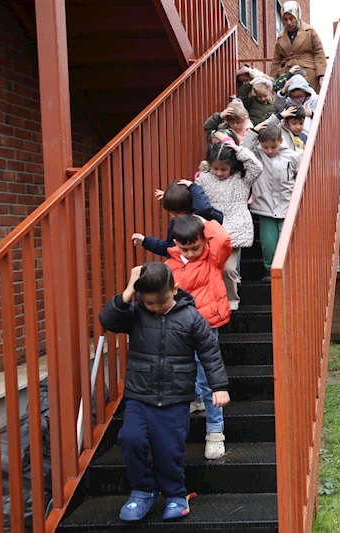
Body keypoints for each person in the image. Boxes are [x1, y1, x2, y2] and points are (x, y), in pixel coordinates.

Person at [99, 263, 230, 521]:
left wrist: (219, 386)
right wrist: (127, 292)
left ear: (175, 289)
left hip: (175, 398)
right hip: (140, 395)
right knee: (131, 439)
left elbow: (209, 353)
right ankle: (143, 490)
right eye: (149, 303)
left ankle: (175, 494)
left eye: (161, 301)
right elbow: (108, 320)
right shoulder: (136, 312)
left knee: (169, 449)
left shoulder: (191, 317)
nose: (156, 307)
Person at [165, 215, 231, 460]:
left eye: (196, 246)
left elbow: (223, 239)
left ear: (204, 240)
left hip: (207, 325)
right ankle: (195, 400)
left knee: (207, 377)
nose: (192, 253)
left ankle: (215, 431)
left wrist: (205, 222)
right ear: (176, 243)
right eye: (185, 248)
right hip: (181, 328)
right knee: (184, 370)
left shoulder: (212, 258)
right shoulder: (169, 265)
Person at [194, 134, 262, 310]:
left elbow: (257, 168)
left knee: (229, 269)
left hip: (235, 227)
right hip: (213, 228)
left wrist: (240, 150)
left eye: (223, 169)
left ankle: (232, 299)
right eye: (215, 168)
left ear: (232, 166)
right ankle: (215, 298)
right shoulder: (204, 178)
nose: (219, 173)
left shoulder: (242, 178)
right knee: (212, 268)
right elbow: (195, 195)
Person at [243, 122, 300, 281]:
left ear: (281, 141)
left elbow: (300, 175)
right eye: (265, 147)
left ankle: (287, 269)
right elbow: (244, 149)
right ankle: (270, 270)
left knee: (286, 239)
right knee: (268, 242)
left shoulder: (292, 156)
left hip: (287, 205)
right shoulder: (256, 154)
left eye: (273, 147)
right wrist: (254, 131)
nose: (269, 151)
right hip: (264, 206)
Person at [132, 181, 222, 258]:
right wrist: (145, 241)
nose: (173, 216)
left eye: (177, 212)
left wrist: (193, 187)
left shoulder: (200, 219)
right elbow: (168, 248)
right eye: (170, 212)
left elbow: (203, 209)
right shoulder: (175, 224)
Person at [270, 1, 327, 93]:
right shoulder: (280, 37)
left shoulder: (310, 31)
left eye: (291, 18)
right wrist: (271, 79)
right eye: (285, 19)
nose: (288, 22)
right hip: (288, 75)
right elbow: (276, 60)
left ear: (297, 15)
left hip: (307, 74)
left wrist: (321, 75)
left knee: (308, 100)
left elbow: (319, 53)